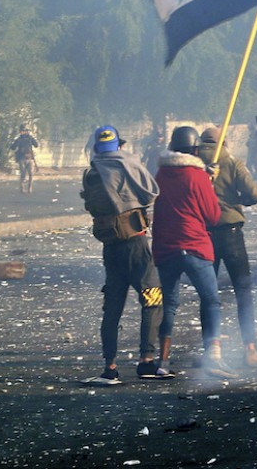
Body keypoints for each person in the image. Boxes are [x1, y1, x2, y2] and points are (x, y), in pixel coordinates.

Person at [80, 125, 171, 381]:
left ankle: (110, 366)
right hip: (137, 245)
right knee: (152, 299)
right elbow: (150, 193)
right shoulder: (128, 165)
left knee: (112, 307)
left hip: (111, 248)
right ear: (119, 145)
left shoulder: (91, 173)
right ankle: (146, 360)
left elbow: (92, 205)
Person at [152, 126, 238, 379]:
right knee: (210, 300)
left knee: (169, 305)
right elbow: (213, 215)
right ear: (195, 150)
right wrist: (208, 183)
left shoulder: (160, 175)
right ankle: (213, 357)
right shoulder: (196, 176)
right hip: (194, 246)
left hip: (165, 247)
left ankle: (163, 362)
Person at [199, 126, 257, 368]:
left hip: (203, 234)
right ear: (224, 143)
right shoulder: (232, 162)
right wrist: (240, 199)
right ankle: (250, 350)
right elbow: (256, 194)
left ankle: (210, 350)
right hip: (230, 232)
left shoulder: (194, 166)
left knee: (208, 295)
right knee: (243, 292)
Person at [10, 125, 38, 193]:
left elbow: (36, 145)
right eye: (23, 131)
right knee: (23, 174)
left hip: (30, 158)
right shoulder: (19, 139)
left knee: (31, 174)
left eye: (25, 131)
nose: (24, 132)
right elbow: (13, 147)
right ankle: (22, 188)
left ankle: (29, 188)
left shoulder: (30, 139)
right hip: (22, 158)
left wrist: (32, 139)